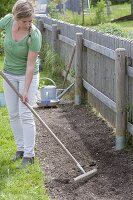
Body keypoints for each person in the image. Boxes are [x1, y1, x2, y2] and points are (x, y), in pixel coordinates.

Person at [0, 0, 42, 168]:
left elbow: (30, 66)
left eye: (30, 20)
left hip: (27, 76)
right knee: (13, 113)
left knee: (25, 113)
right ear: (16, 18)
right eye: (24, 21)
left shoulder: (35, 34)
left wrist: (25, 90)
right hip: (8, 73)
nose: (28, 24)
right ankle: (20, 149)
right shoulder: (8, 20)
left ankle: (29, 155)